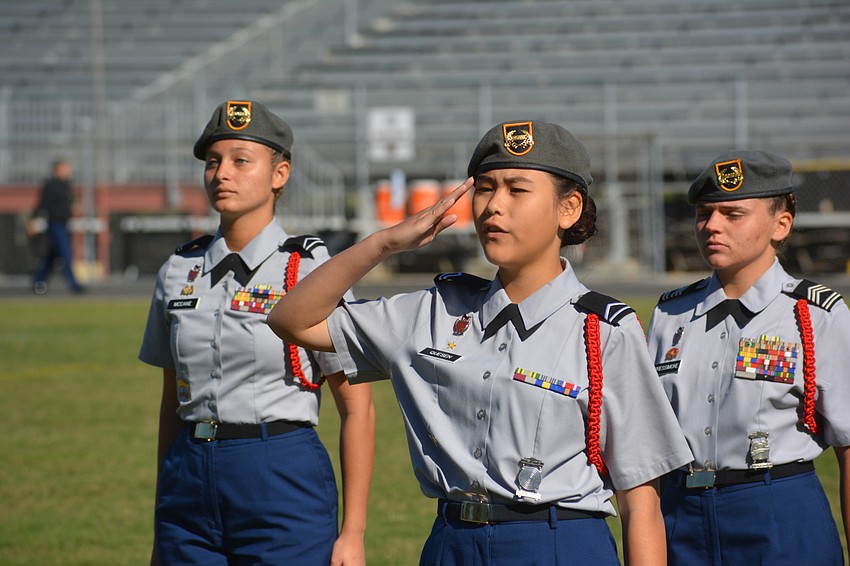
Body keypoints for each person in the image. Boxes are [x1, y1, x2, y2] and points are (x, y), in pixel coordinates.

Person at [268, 120, 693, 565]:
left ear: (568, 209)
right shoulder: (431, 312)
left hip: (559, 544)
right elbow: (291, 319)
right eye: (486, 188)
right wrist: (383, 244)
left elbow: (640, 501)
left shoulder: (604, 331)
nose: (494, 206)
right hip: (451, 543)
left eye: (517, 190)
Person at [139, 100, 375, 566]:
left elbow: (358, 408)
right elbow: (172, 401)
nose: (221, 173)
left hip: (278, 470)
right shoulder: (178, 270)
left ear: (279, 174)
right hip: (188, 472)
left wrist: (353, 533)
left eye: (240, 161)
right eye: (212, 162)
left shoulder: (310, 270)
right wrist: (165, 515)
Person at [646, 150, 850, 565]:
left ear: (781, 224)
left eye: (732, 214)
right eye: (704, 213)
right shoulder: (670, 314)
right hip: (682, 516)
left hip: (779, 511)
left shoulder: (814, 315)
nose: (712, 226)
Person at [27, 158, 84, 294]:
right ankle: (74, 285)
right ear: (58, 170)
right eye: (65, 168)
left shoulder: (66, 185)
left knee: (50, 257)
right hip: (55, 224)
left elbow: (69, 203)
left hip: (64, 224)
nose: (68, 171)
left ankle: (38, 282)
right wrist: (33, 220)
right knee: (65, 254)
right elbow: (42, 204)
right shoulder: (51, 185)